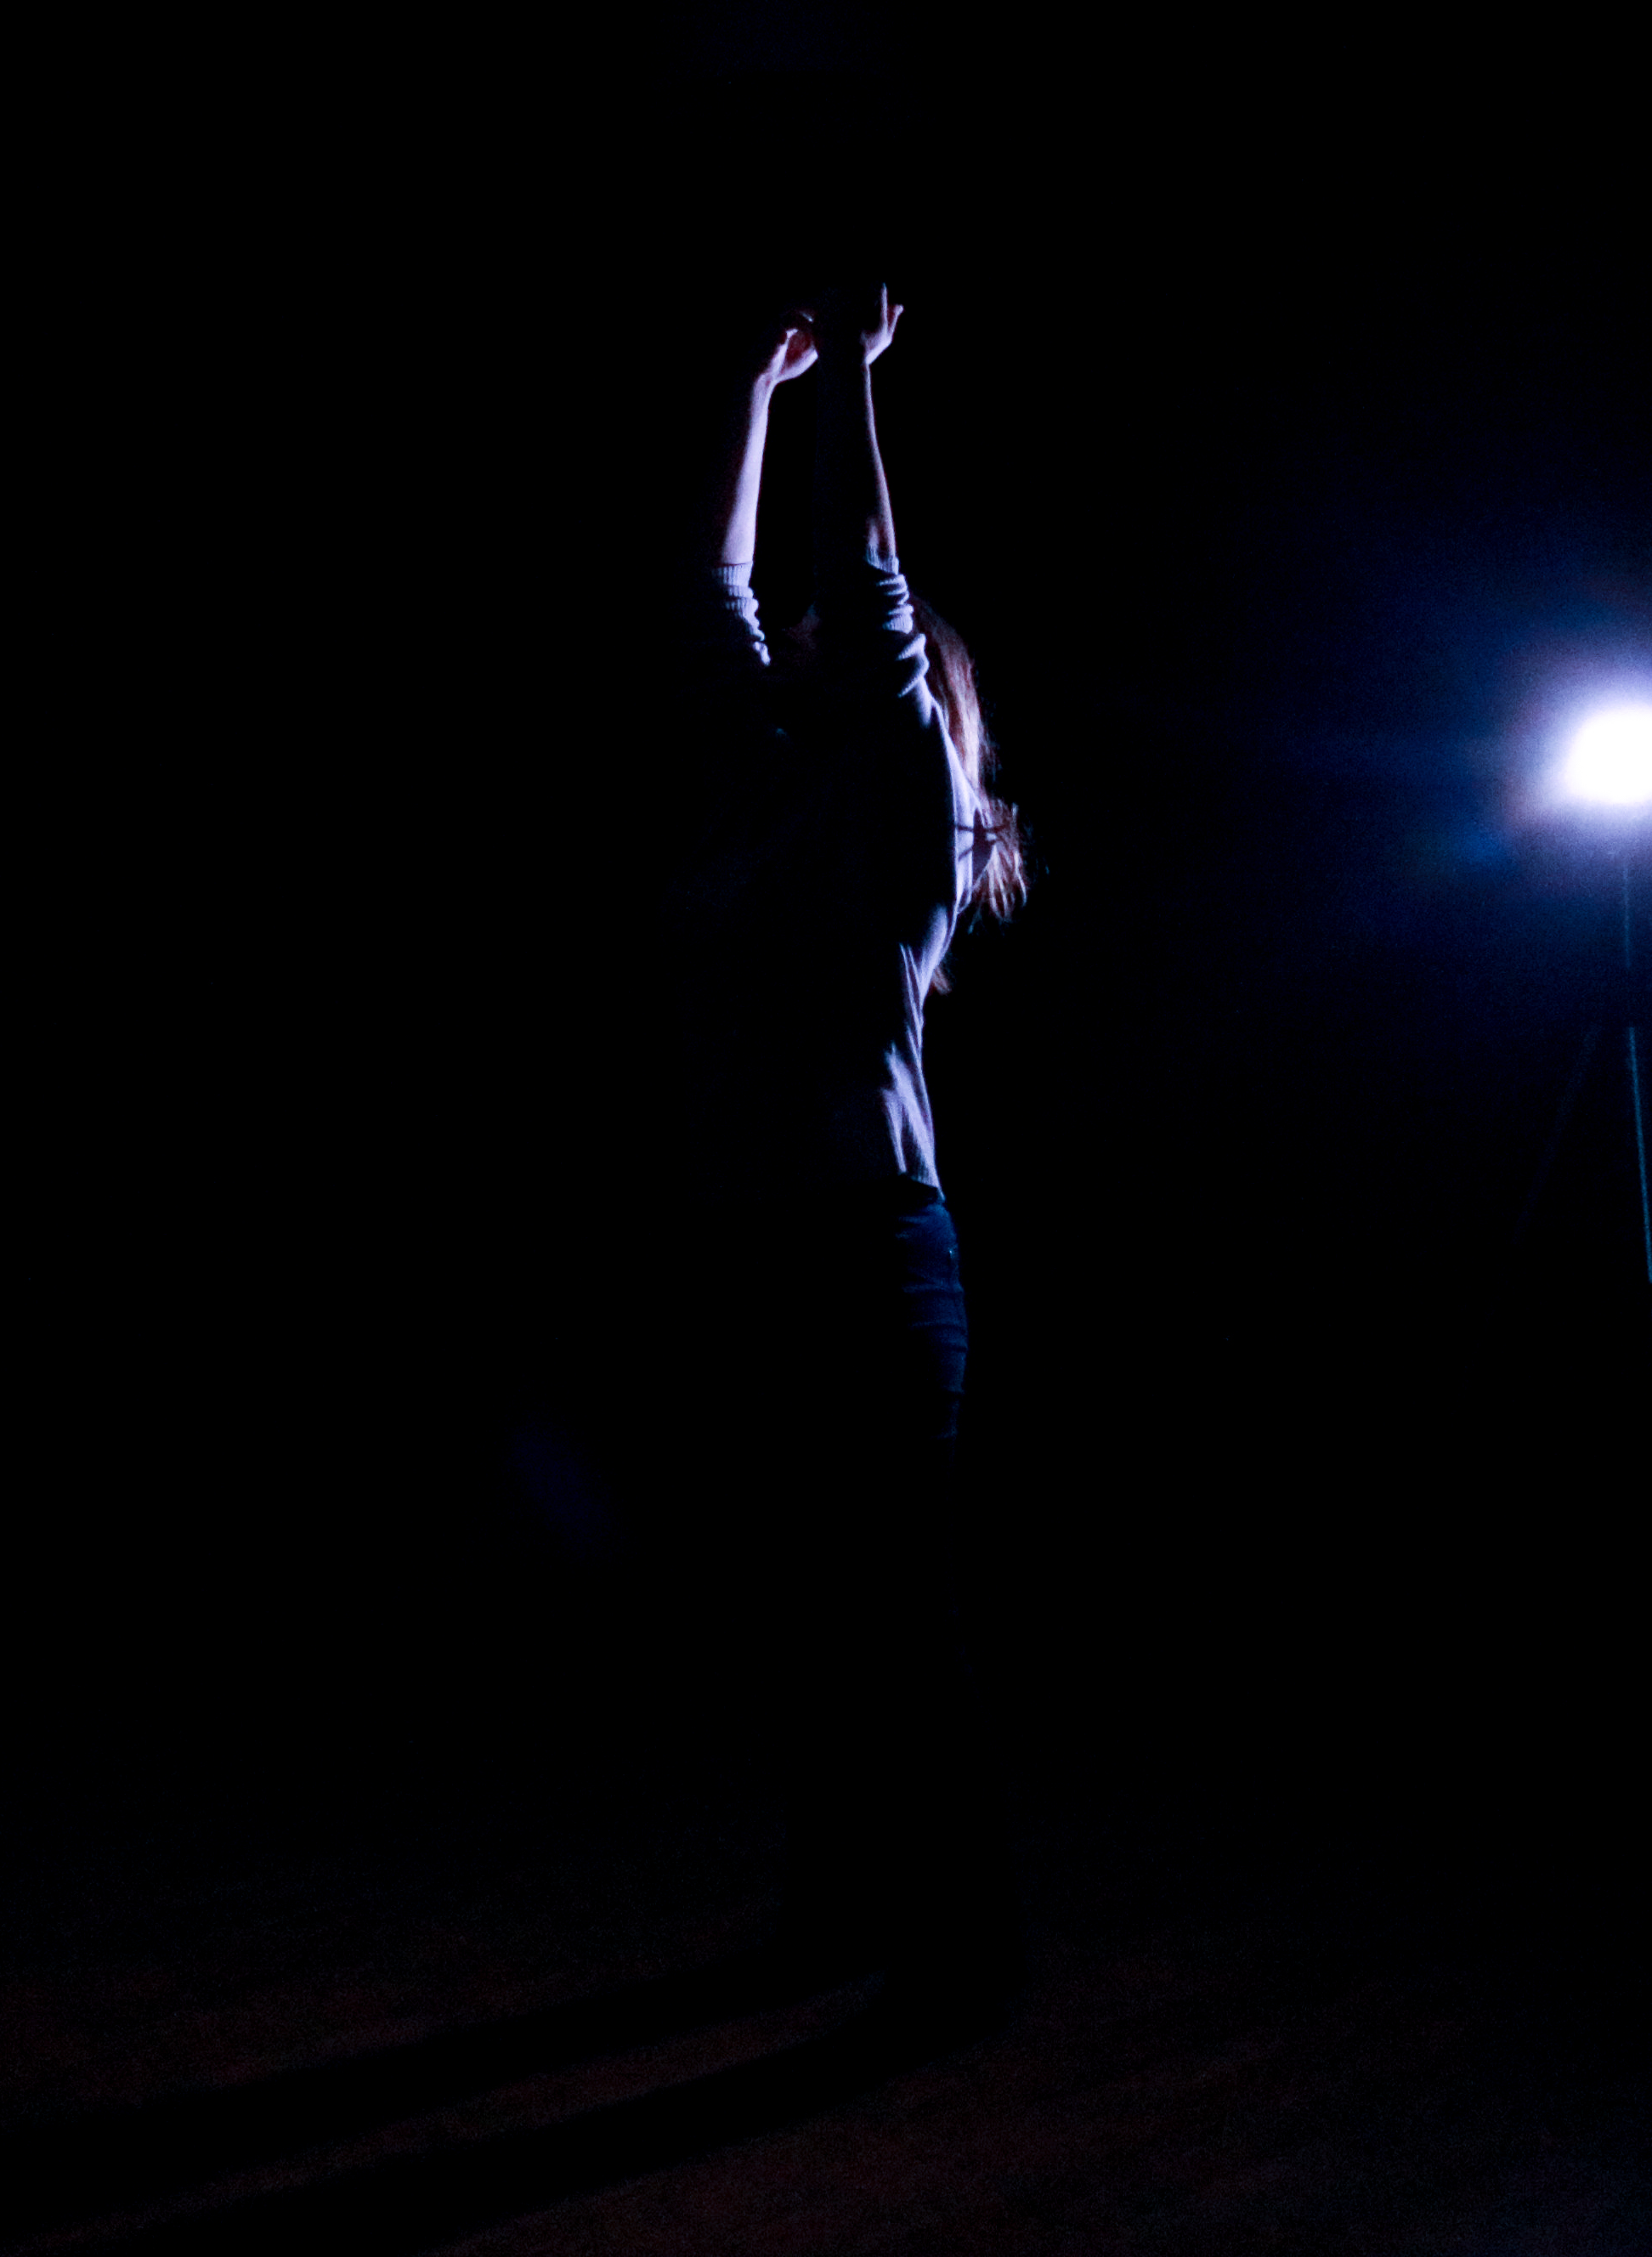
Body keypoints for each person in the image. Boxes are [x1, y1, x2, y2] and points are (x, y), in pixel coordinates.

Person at [657, 281, 1026, 2036]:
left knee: (894, 1616)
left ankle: (958, 1947)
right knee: (812, 1610)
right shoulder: (772, 790)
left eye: (829, 634)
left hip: (875, 1258)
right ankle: (838, 1911)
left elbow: (864, 584)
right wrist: (754, 392)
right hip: (768, 1247)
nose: (798, 636)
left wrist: (855, 388)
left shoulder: (904, 812)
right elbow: (707, 605)